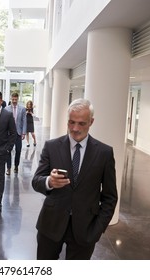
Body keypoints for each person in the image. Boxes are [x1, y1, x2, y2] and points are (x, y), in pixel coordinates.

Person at [31, 98, 118, 260]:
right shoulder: (52, 146)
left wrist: (97, 229)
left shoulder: (104, 153)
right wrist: (49, 182)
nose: (75, 128)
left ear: (91, 122)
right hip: (50, 225)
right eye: (71, 122)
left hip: (85, 229)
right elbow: (36, 181)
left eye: (81, 123)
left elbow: (110, 197)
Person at [5, 92, 26, 175]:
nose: (14, 101)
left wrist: (23, 132)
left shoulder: (22, 109)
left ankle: (16, 166)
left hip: (18, 133)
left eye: (15, 99)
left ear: (18, 99)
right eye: (13, 99)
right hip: (9, 133)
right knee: (8, 151)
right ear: (11, 98)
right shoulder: (6, 109)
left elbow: (24, 121)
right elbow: (5, 122)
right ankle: (8, 168)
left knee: (18, 150)